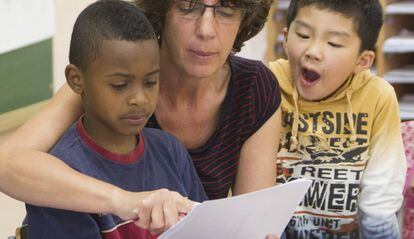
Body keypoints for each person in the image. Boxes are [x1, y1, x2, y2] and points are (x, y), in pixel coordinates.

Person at [0, 0, 281, 234]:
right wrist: (124, 201)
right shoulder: (108, 76)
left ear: (245, 17)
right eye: (188, 7)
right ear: (162, 10)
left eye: (226, 10)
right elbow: (6, 164)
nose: (206, 30)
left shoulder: (253, 89)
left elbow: (246, 224)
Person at [25, 1, 207, 238]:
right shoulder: (59, 180)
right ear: (76, 80)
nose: (139, 99)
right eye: (120, 85)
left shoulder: (170, 151)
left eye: (151, 82)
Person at [269, 0, 406, 238]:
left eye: (333, 43)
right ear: (285, 37)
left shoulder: (378, 97)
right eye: (302, 35)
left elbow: (379, 201)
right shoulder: (266, 82)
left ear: (362, 61)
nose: (313, 51)